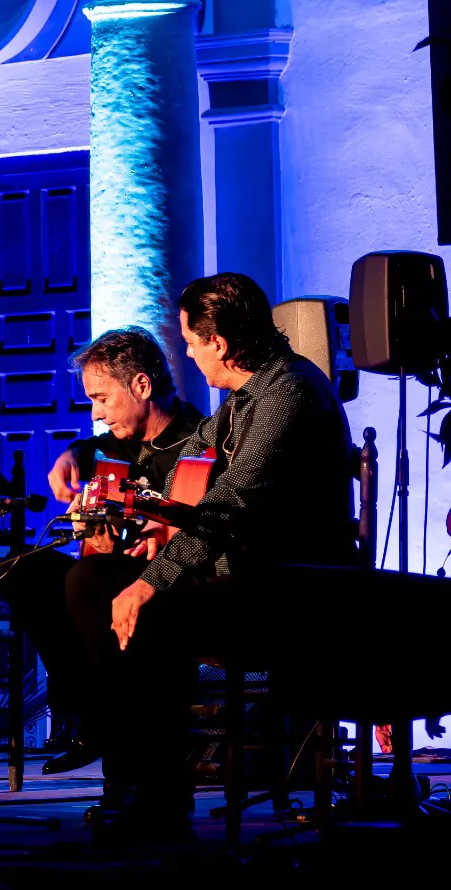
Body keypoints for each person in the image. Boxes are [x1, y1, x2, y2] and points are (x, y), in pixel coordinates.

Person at [68, 273, 355, 839]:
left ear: (218, 343)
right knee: (89, 579)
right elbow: (195, 452)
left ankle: (158, 798)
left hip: (289, 590)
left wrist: (152, 580)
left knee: (148, 611)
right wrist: (158, 525)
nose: (192, 356)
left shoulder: (289, 393)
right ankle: (129, 769)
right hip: (246, 576)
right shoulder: (249, 395)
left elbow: (228, 506)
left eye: (192, 342)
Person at [0, 328, 202, 775]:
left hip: (169, 589)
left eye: (102, 399)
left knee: (83, 580)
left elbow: (196, 532)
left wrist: (151, 534)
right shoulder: (114, 444)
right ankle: (92, 717)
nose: (95, 413)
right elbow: (91, 451)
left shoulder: (198, 445)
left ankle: (112, 732)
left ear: (142, 386)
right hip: (111, 580)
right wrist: (68, 458)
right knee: (24, 572)